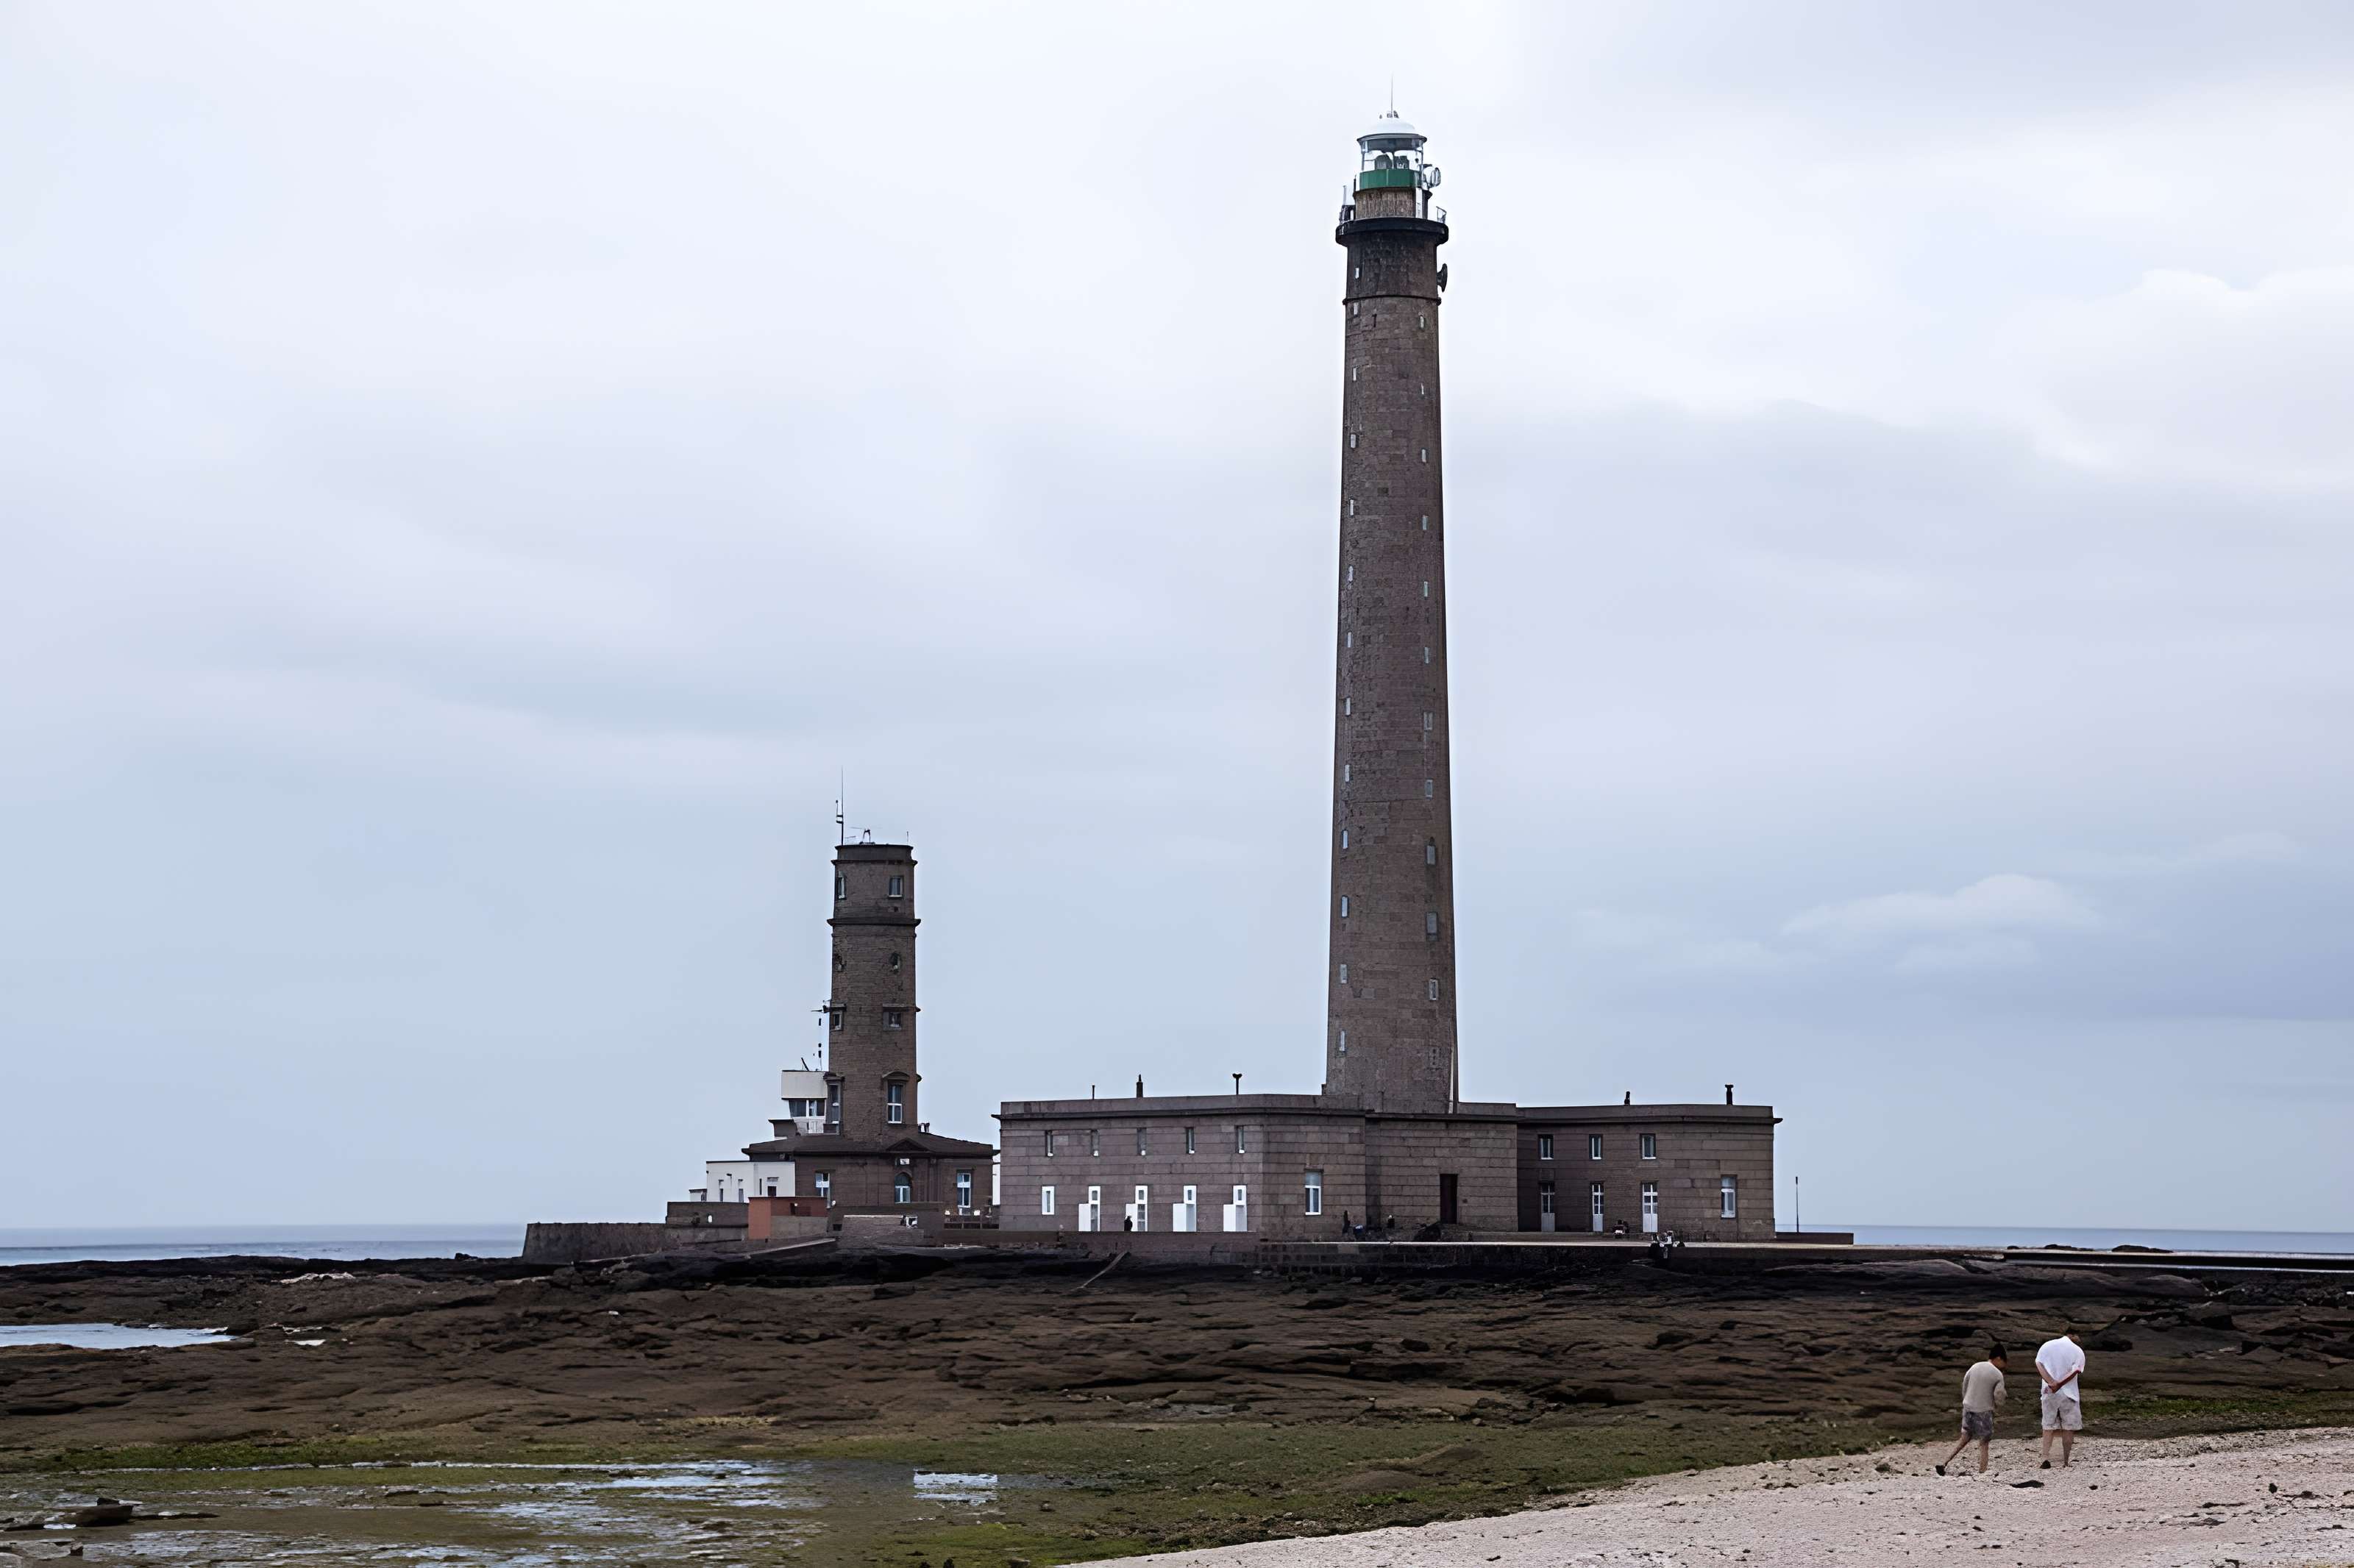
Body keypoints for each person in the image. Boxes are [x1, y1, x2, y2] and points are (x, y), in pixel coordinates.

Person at [1936, 1344, 2008, 1475]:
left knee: (1964, 1437)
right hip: (1984, 1411)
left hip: (1968, 1407)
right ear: (1998, 1358)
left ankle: (1943, 1462)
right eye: (2004, 1361)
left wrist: (1966, 1401)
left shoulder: (1974, 1366)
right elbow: (1999, 1396)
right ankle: (1983, 1471)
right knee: (1984, 1442)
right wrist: (1997, 1407)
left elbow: (1965, 1384)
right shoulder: (1998, 1374)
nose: (2004, 1365)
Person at [2035, 1328, 2087, 1467]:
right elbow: (2075, 1370)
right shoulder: (2077, 1351)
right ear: (2072, 1335)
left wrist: (2051, 1382)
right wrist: (2059, 1384)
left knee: (2048, 1425)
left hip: (2049, 1392)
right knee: (2068, 1427)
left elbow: (2039, 1363)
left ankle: (2046, 1458)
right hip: (2069, 1394)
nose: (2079, 1340)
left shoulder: (2047, 1346)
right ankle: (2063, 1461)